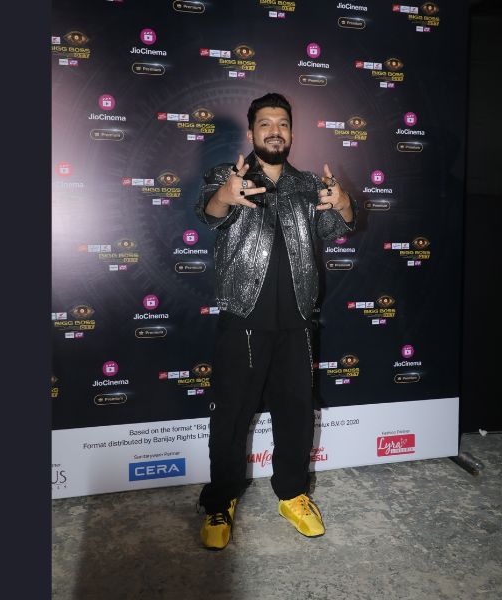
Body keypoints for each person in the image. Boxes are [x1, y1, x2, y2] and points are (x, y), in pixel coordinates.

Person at [194, 92, 357, 549]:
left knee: (296, 414)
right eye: (265, 123)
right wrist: (226, 195)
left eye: (282, 123)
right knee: (231, 418)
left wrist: (343, 202)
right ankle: (220, 501)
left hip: (297, 323)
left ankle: (292, 494)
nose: (274, 131)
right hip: (243, 319)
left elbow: (338, 226)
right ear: (251, 133)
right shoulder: (228, 176)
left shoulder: (308, 185)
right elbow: (209, 212)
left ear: (291, 133)